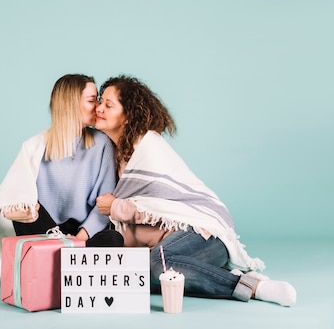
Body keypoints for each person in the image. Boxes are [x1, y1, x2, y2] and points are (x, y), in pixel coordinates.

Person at [94, 75, 296, 307]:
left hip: (202, 232)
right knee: (136, 274)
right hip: (170, 246)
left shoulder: (148, 145)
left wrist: (115, 207)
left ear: (128, 115)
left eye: (108, 105)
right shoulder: (114, 154)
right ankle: (230, 277)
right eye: (100, 102)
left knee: (158, 265)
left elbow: (161, 205)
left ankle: (253, 288)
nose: (99, 108)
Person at [0, 74, 123, 281]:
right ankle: (66, 270)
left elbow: (104, 207)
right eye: (92, 100)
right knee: (29, 212)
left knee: (113, 238)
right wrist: (21, 212)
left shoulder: (103, 144)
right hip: (46, 231)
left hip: (83, 235)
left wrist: (77, 241)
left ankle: (52, 269)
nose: (98, 107)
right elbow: (11, 198)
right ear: (70, 104)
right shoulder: (34, 146)